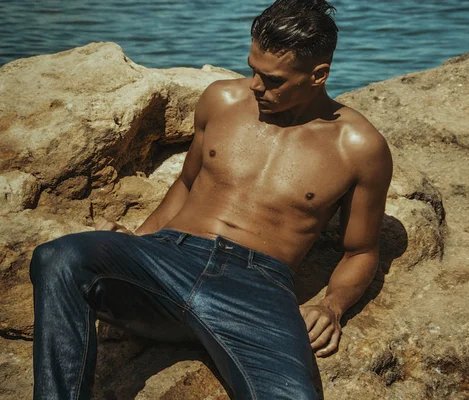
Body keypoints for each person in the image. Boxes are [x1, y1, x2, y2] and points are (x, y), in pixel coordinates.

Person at [29, 0, 393, 398]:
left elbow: (360, 251)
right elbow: (186, 184)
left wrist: (331, 306)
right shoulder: (222, 101)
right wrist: (135, 243)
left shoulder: (359, 147)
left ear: (318, 75)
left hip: (257, 289)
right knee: (59, 257)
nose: (256, 85)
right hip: (168, 258)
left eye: (272, 80)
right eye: (253, 69)